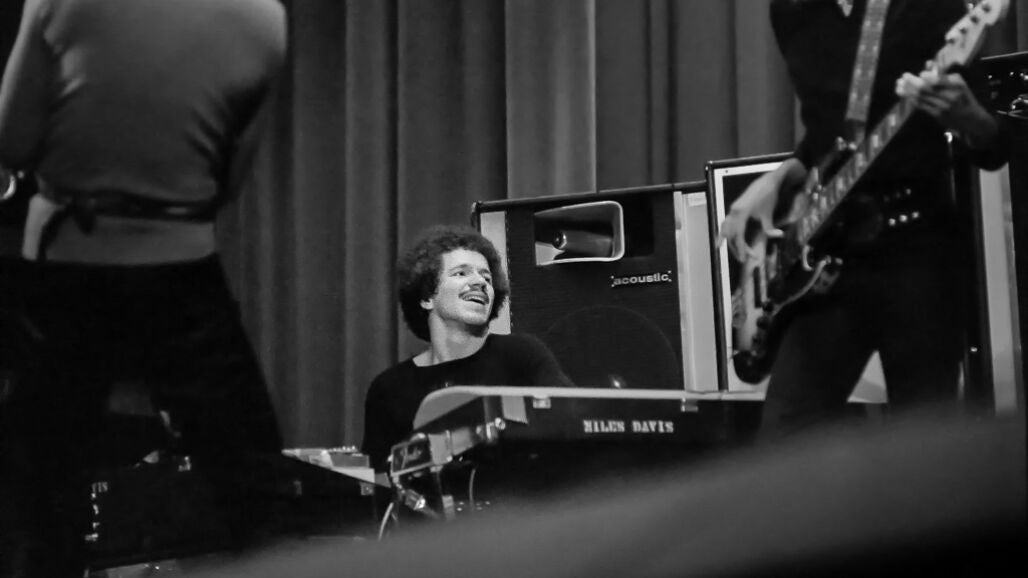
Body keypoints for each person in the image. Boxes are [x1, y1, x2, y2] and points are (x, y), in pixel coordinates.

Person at [0, 0, 287, 575]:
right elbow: (228, 181)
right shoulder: (264, 18)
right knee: (252, 484)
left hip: (70, 262)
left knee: (41, 490)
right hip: (182, 268)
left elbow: (12, 142)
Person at [718, 0, 1010, 440]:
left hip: (918, 257)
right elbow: (831, 134)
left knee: (923, 453)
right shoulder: (792, 11)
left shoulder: (931, 7)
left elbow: (994, 147)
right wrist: (780, 176)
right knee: (783, 444)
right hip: (830, 263)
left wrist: (971, 120)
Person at [361, 225, 574, 471]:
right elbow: (378, 480)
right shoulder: (389, 388)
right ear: (427, 297)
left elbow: (573, 421)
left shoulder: (521, 355)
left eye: (487, 278)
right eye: (461, 273)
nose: (480, 282)